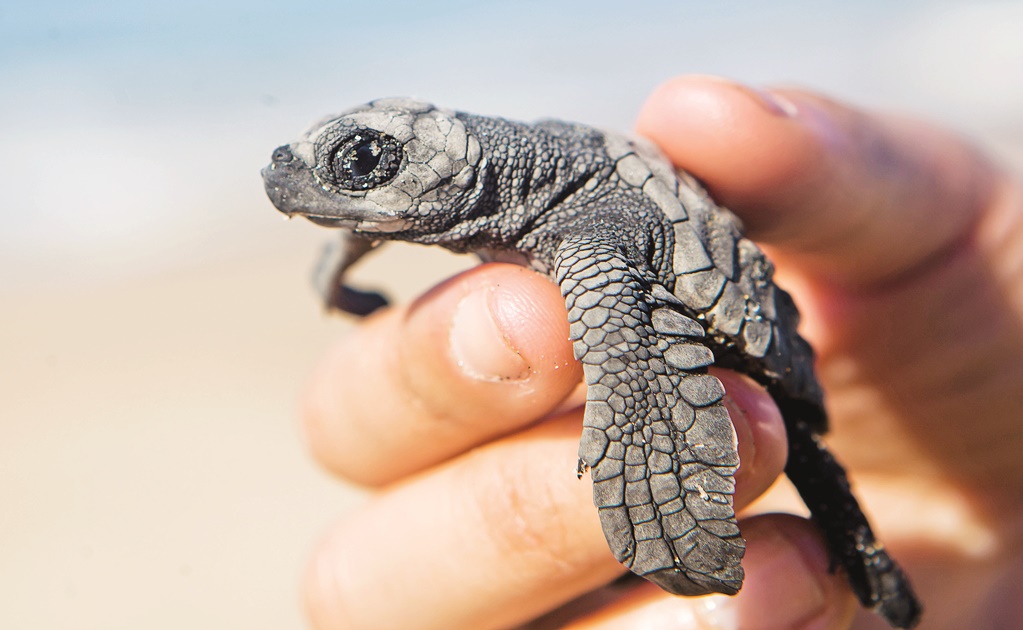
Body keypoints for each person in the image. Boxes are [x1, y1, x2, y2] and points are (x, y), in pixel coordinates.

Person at [293, 76, 1023, 629]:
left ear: (467, 166)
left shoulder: (584, 231)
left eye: (359, 160)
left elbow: (633, 350)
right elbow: (395, 195)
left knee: (788, 439)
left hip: (728, 311)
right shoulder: (489, 179)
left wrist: (666, 510)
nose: (319, 178)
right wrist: (346, 253)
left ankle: (871, 564)